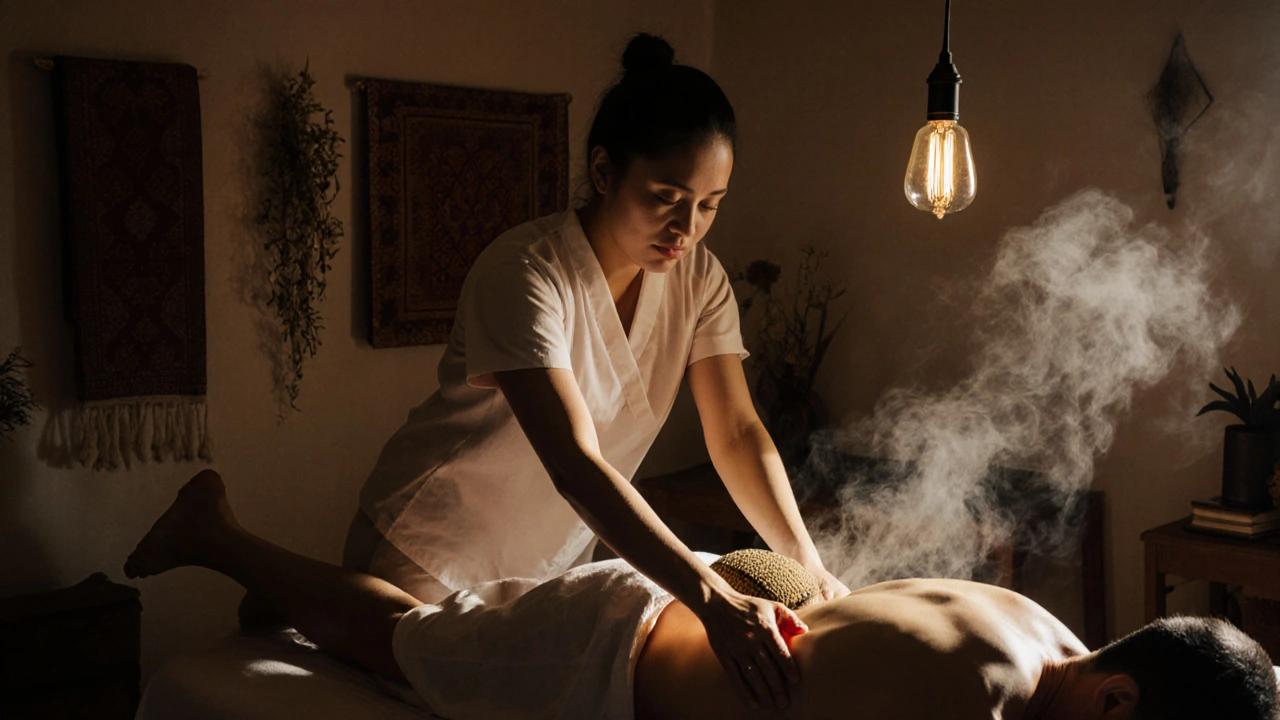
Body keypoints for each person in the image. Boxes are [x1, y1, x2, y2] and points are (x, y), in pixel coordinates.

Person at [328, 31, 847, 711]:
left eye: (711, 203)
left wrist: (805, 559)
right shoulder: (526, 272)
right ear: (603, 172)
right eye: (666, 195)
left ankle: (278, 605)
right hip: (428, 545)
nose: (687, 227)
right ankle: (249, 568)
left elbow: (738, 433)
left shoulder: (701, 281)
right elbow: (573, 461)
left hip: (541, 560)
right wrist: (711, 596)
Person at [131, 471, 1278, 720]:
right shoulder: (968, 703)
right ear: (1119, 702)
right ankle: (217, 532)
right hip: (601, 656)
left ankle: (268, 600)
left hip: (660, 616)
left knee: (418, 634)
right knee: (397, 642)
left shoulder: (1045, 638)